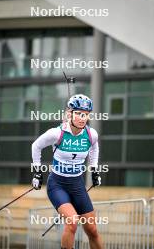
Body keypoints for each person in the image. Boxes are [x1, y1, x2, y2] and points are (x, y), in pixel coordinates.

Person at [31, 94, 104, 249]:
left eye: (85, 114)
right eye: (78, 113)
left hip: (77, 185)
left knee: (92, 229)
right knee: (72, 222)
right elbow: (36, 146)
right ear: (70, 114)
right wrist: (37, 172)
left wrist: (95, 170)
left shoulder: (91, 134)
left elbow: (94, 148)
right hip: (58, 185)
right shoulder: (57, 133)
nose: (82, 118)